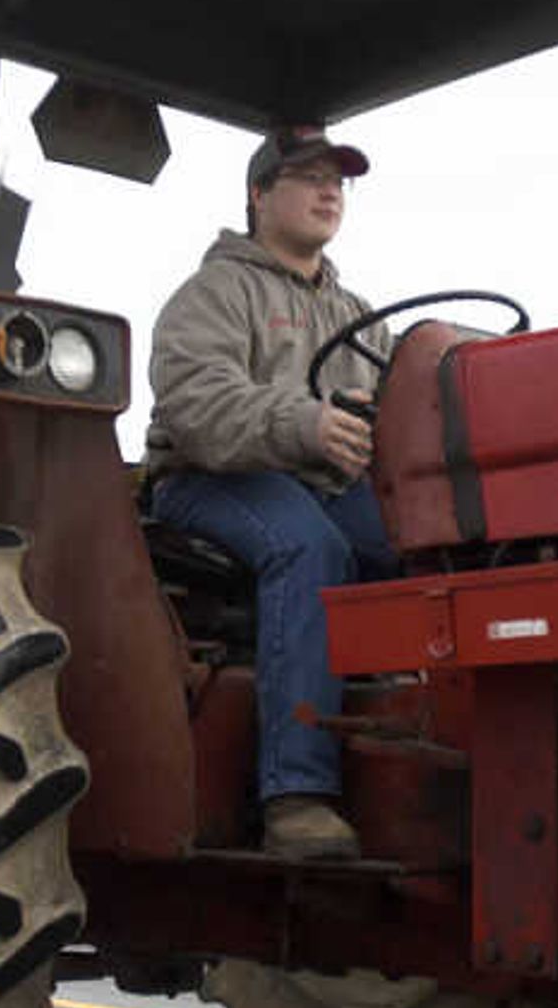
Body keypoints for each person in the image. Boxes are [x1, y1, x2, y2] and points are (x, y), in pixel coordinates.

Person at [145, 123, 400, 859]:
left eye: (339, 181)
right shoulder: (214, 292)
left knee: (413, 550)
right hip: (209, 480)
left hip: (321, 482)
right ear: (259, 195)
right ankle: (296, 793)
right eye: (309, 177)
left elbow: (393, 408)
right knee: (306, 548)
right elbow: (197, 403)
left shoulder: (359, 315)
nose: (329, 191)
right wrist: (302, 425)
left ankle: (404, 747)